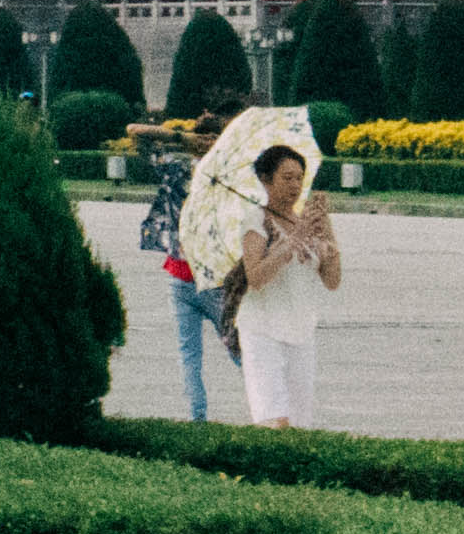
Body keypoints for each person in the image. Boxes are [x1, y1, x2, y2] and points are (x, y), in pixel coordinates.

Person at [227, 142, 337, 424]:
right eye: (287, 178)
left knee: (300, 423)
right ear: (266, 180)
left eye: (299, 178)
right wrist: (291, 242)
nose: (295, 185)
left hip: (301, 331)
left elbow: (332, 281)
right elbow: (256, 277)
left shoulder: (306, 222)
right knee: (275, 420)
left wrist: (327, 232)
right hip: (263, 331)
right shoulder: (256, 220)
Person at [134, 117, 216, 421]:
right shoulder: (228, 175)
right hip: (212, 277)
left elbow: (136, 133)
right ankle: (269, 414)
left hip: (184, 274)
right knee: (239, 349)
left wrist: (182, 139)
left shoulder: (176, 169)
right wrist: (188, 140)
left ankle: (198, 420)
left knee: (190, 356)